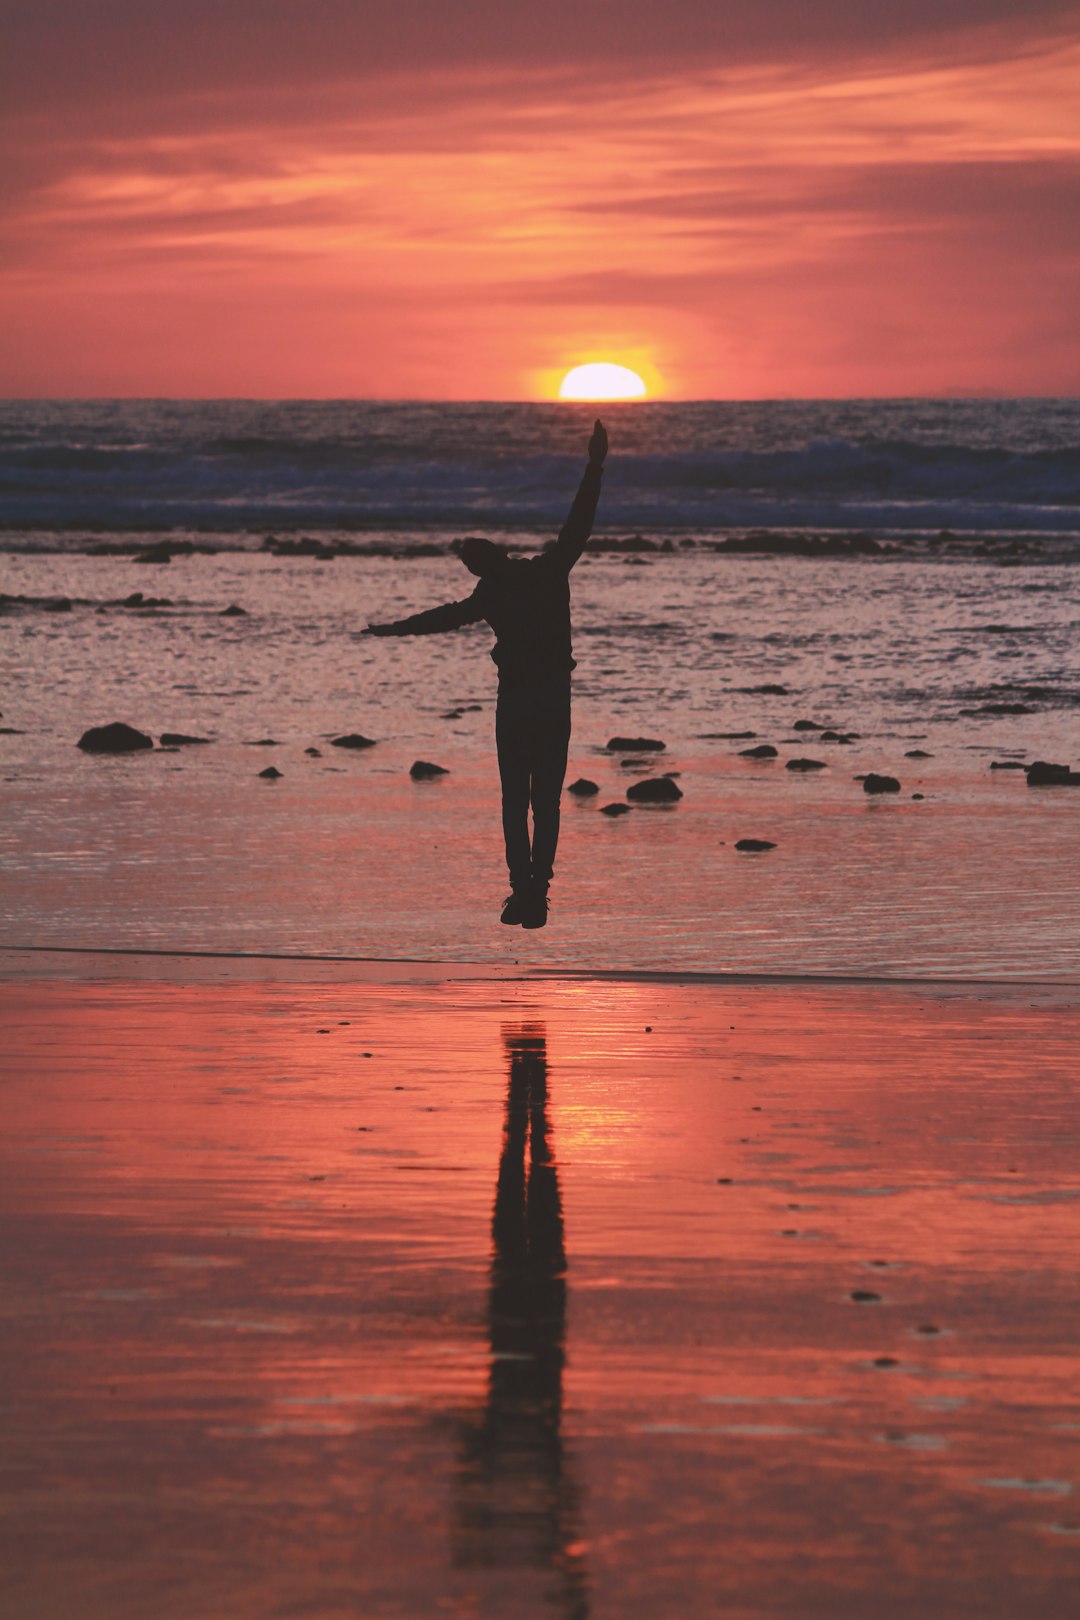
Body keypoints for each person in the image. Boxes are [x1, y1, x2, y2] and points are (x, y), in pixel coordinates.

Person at [365, 419, 608, 930]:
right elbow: (578, 524)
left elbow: (442, 617)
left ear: (485, 564)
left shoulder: (504, 588)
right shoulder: (544, 572)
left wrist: (393, 630)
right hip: (546, 702)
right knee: (541, 802)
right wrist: (594, 465)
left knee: (520, 801)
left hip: (522, 703)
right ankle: (532, 892)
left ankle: (527, 891)